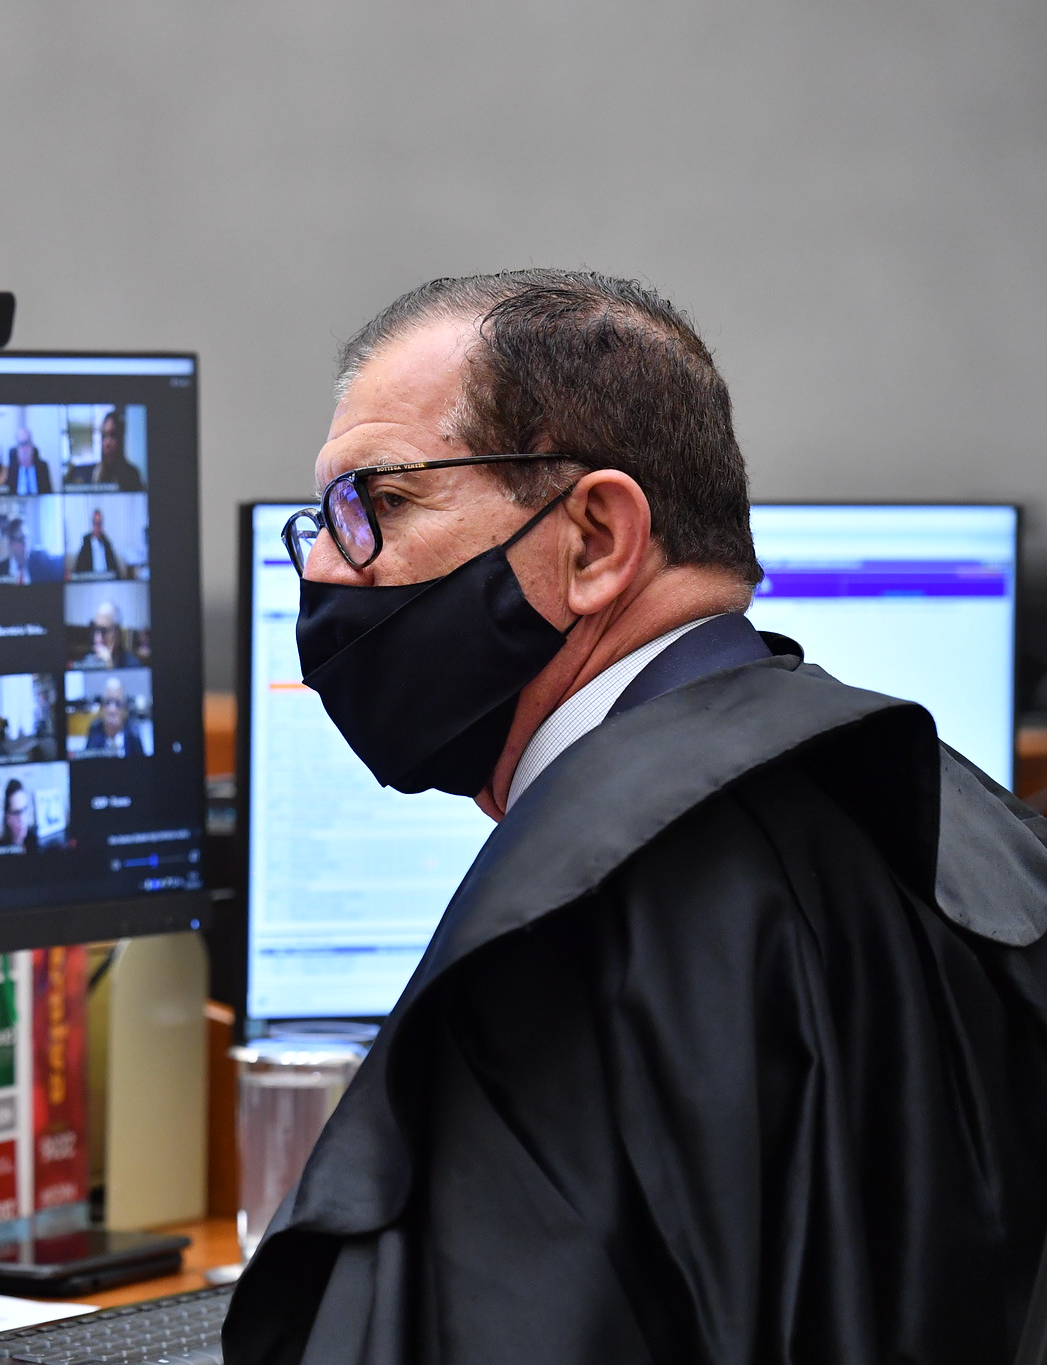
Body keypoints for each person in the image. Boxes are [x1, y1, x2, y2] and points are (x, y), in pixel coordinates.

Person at [223, 270, 1047, 1365]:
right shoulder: (957, 814)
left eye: (380, 504)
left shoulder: (582, 928)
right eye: (319, 524)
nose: (326, 568)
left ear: (596, 539)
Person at [0, 518, 62, 586]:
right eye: (20, 539)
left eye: (26, 537)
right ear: (10, 543)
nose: (25, 543)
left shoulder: (42, 563)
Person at [82, 677, 145, 757]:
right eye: (107, 703)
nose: (112, 710)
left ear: (125, 710)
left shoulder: (133, 734)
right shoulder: (95, 731)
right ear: (101, 709)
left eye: (117, 703)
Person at [5, 415, 54, 495]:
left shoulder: (42, 467)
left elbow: (49, 494)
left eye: (27, 443)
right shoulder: (11, 469)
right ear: (17, 448)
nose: (25, 449)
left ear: (32, 446)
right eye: (21, 444)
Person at [70, 507, 123, 578]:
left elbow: (115, 570)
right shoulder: (86, 544)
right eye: (96, 523)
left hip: (107, 580)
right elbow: (78, 569)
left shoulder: (107, 544)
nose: (98, 527)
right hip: (91, 580)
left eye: (100, 523)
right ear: (92, 524)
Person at [0, 778, 39, 854]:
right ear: (8, 818)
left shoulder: (35, 841)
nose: (22, 819)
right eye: (17, 813)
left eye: (25, 809)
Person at [78, 601, 128, 668]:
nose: (97, 639)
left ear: (117, 633)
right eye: (95, 629)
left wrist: (109, 665)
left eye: (104, 631)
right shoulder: (87, 662)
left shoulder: (132, 665)